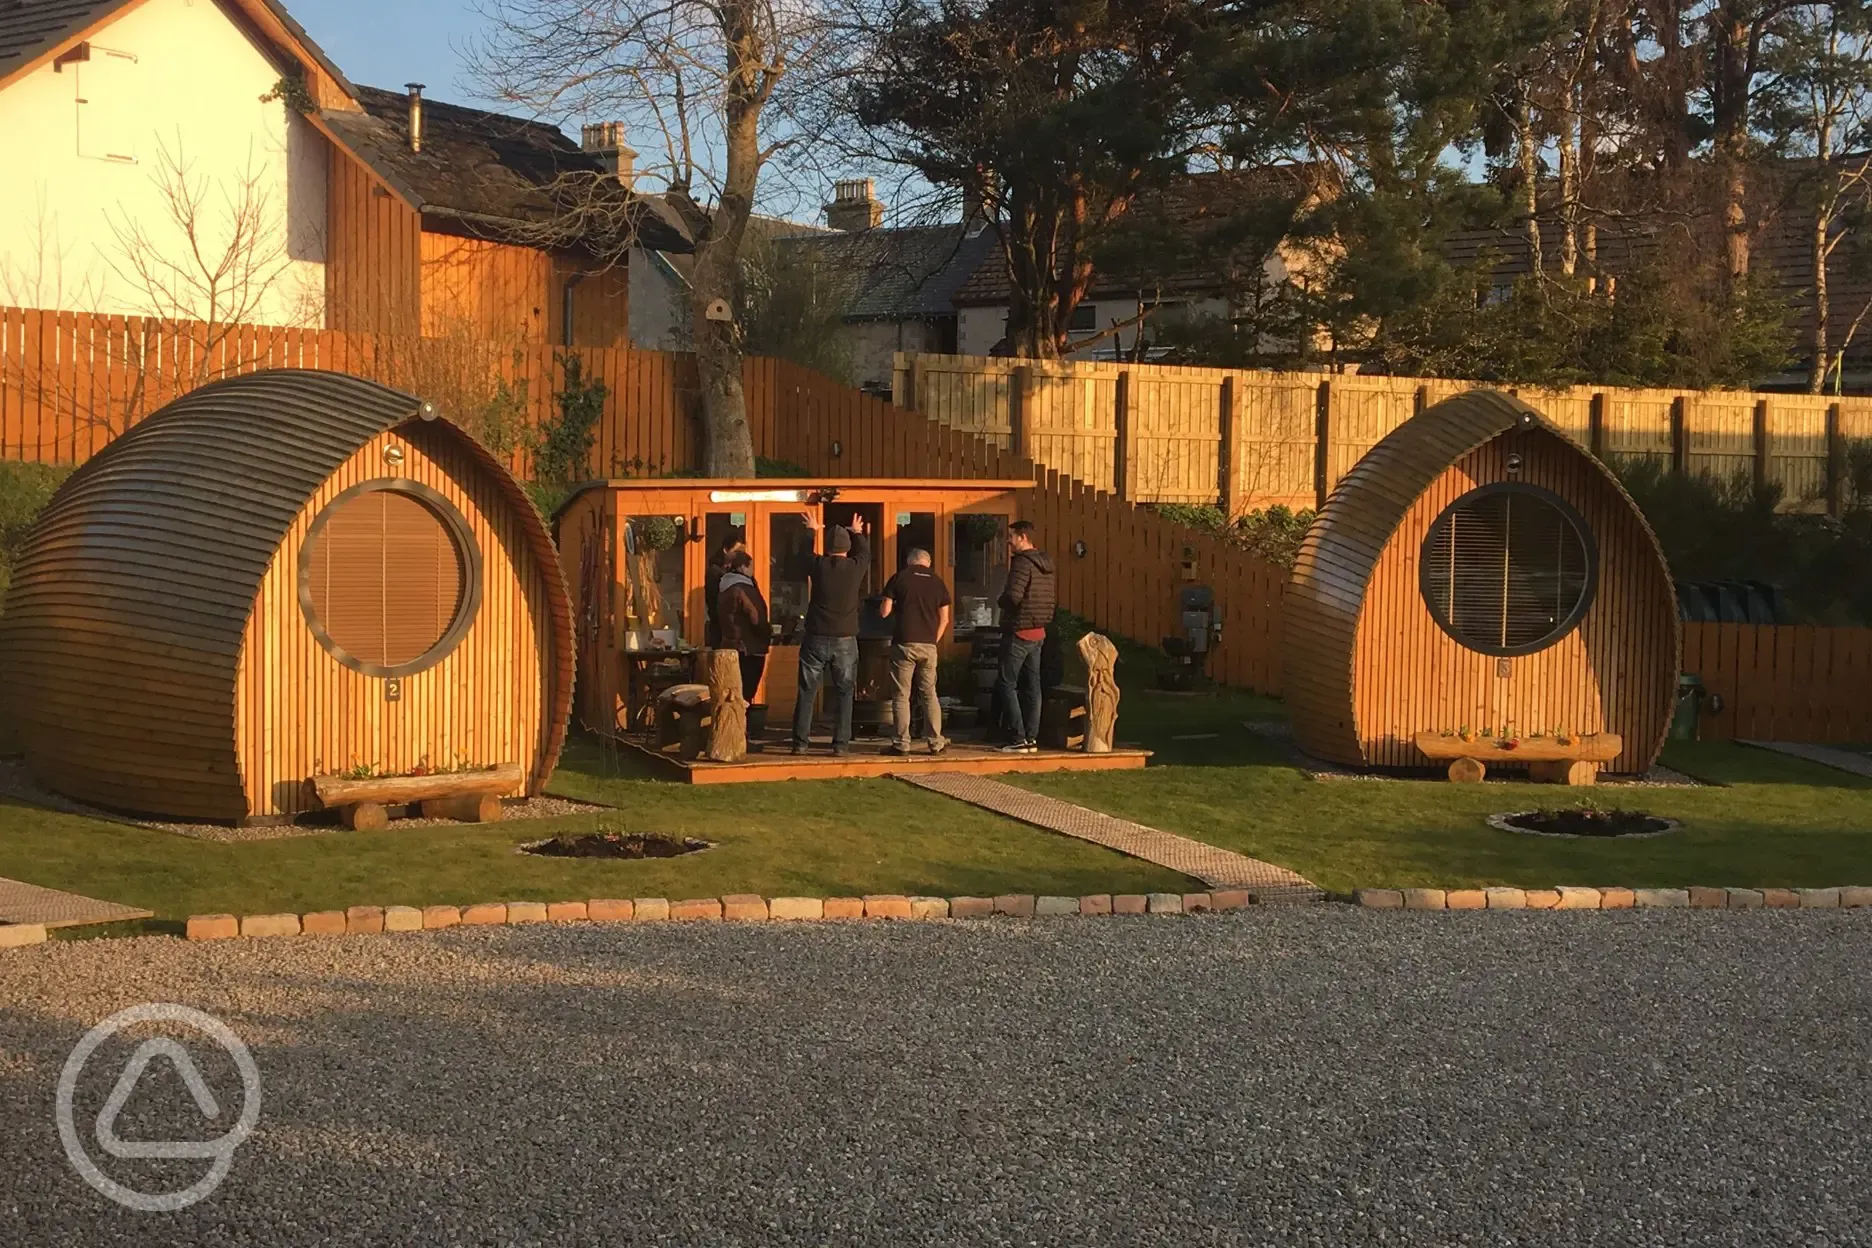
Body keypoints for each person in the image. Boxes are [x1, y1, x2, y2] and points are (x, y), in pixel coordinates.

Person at [791, 512, 870, 755]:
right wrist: (857, 532)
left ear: (827, 548)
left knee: (807, 690)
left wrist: (811, 530)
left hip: (816, 636)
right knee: (845, 692)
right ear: (847, 548)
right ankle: (840, 745)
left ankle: (800, 744)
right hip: (845, 639)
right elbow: (865, 553)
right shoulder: (856, 567)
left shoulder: (819, 565)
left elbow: (804, 556)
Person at [878, 548, 951, 757]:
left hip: (904, 644)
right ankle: (936, 743)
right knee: (929, 693)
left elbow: (884, 612)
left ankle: (901, 743)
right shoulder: (938, 582)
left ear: (910, 562)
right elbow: (945, 619)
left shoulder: (899, 578)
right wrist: (932, 641)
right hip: (928, 645)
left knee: (901, 695)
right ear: (927, 562)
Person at [994, 519, 1056, 753]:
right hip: (1039, 631)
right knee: (1033, 686)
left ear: (1022, 537)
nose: (1008, 542)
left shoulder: (1022, 564)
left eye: (1010, 537)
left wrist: (1000, 601)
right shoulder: (1045, 564)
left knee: (1006, 683)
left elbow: (1013, 597)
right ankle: (1031, 737)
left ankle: (1017, 737)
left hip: (1019, 631)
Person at [713, 550, 769, 712]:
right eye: (751, 567)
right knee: (746, 694)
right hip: (749, 647)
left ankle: (733, 728)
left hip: (730, 645)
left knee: (733, 694)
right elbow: (756, 616)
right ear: (744, 567)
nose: (753, 571)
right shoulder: (744, 589)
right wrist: (767, 634)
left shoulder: (723, 587)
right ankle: (743, 730)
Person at [703, 530, 746, 647]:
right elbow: (713, 602)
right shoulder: (715, 572)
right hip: (721, 629)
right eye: (736, 551)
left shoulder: (739, 571)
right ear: (725, 550)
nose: (739, 555)